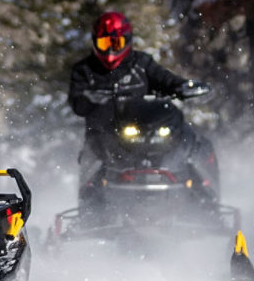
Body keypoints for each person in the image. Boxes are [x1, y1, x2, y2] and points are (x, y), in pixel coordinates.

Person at [68, 11, 208, 206]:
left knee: (192, 143)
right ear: (95, 43)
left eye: (115, 44)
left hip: (145, 131)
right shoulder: (84, 70)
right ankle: (89, 208)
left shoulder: (141, 64)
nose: (110, 51)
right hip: (105, 136)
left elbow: (164, 79)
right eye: (104, 44)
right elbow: (77, 103)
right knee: (92, 156)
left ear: (127, 41)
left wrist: (182, 87)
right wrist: (91, 99)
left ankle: (204, 199)